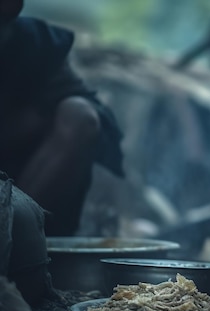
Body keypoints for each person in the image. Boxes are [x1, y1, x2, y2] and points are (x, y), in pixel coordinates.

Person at [0, 0, 124, 237]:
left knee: (78, 115)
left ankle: (12, 231)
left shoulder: (34, 45)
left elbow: (87, 123)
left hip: (24, 199)